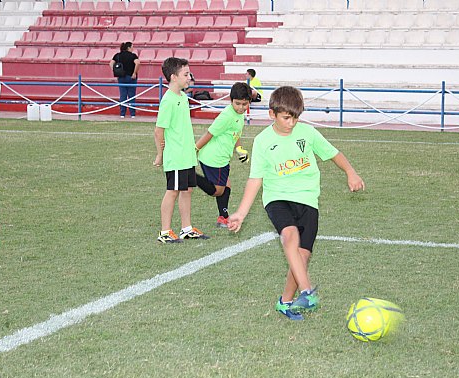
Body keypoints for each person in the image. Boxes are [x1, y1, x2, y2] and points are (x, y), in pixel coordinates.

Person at [227, 86, 365, 320]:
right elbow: (255, 179)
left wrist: (351, 173)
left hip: (308, 198)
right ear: (272, 114)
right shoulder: (262, 141)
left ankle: (285, 302)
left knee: (301, 257)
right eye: (286, 118)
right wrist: (241, 213)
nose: (291, 123)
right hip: (277, 198)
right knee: (289, 236)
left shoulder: (307, 133)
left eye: (296, 118)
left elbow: (333, 153)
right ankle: (307, 291)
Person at [153, 57, 208, 243]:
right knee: (173, 191)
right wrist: (160, 155)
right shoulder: (168, 100)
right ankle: (165, 231)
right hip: (175, 156)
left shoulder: (183, 97)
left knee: (188, 189)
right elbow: (158, 131)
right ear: (173, 77)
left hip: (187, 155)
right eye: (185, 74)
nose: (189, 77)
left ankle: (186, 228)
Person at [195, 82, 251, 228]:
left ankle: (223, 218)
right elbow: (210, 133)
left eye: (244, 104)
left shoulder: (238, 115)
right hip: (214, 158)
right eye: (237, 103)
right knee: (218, 191)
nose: (241, 107)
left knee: (226, 184)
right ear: (230, 100)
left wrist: (239, 149)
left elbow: (235, 133)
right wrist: (194, 149)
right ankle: (190, 176)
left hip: (220, 158)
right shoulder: (227, 116)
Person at [109, 42, 140, 118]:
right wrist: (134, 73)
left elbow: (111, 63)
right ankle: (132, 114)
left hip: (121, 77)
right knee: (131, 96)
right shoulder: (133, 56)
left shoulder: (118, 55)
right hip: (131, 77)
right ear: (129, 48)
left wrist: (115, 71)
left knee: (123, 96)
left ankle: (122, 114)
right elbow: (138, 63)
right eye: (132, 47)